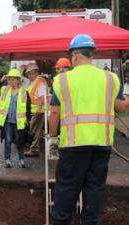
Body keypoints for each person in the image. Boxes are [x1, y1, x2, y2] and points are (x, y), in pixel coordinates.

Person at [49, 34, 129, 225]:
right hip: (101, 145)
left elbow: (54, 112)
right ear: (91, 54)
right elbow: (121, 107)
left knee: (66, 191)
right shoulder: (111, 78)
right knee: (94, 190)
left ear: (76, 54)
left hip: (73, 145)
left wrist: (52, 138)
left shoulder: (62, 80)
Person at [0, 69, 31, 168]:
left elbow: (28, 107)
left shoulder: (24, 92)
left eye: (11, 79)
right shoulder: (4, 89)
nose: (9, 81)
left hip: (19, 122)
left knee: (20, 141)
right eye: (9, 79)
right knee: (8, 140)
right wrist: (1, 80)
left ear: (17, 80)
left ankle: (21, 160)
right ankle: (7, 160)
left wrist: (28, 120)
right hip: (7, 121)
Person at [24, 63, 48, 157]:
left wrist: (38, 109)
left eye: (29, 74)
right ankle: (34, 148)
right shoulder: (35, 82)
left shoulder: (40, 81)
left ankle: (34, 149)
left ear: (33, 73)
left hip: (38, 111)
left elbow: (42, 96)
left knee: (34, 130)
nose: (28, 76)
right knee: (36, 130)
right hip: (35, 111)